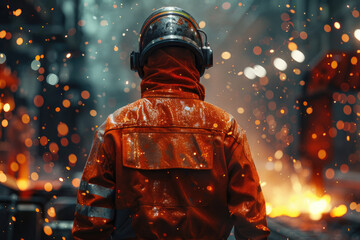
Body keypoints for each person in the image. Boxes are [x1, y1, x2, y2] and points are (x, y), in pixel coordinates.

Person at [72, 6, 270, 240]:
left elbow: (90, 225)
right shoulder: (226, 129)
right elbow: (252, 225)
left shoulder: (114, 129)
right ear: (202, 62)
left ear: (139, 64)